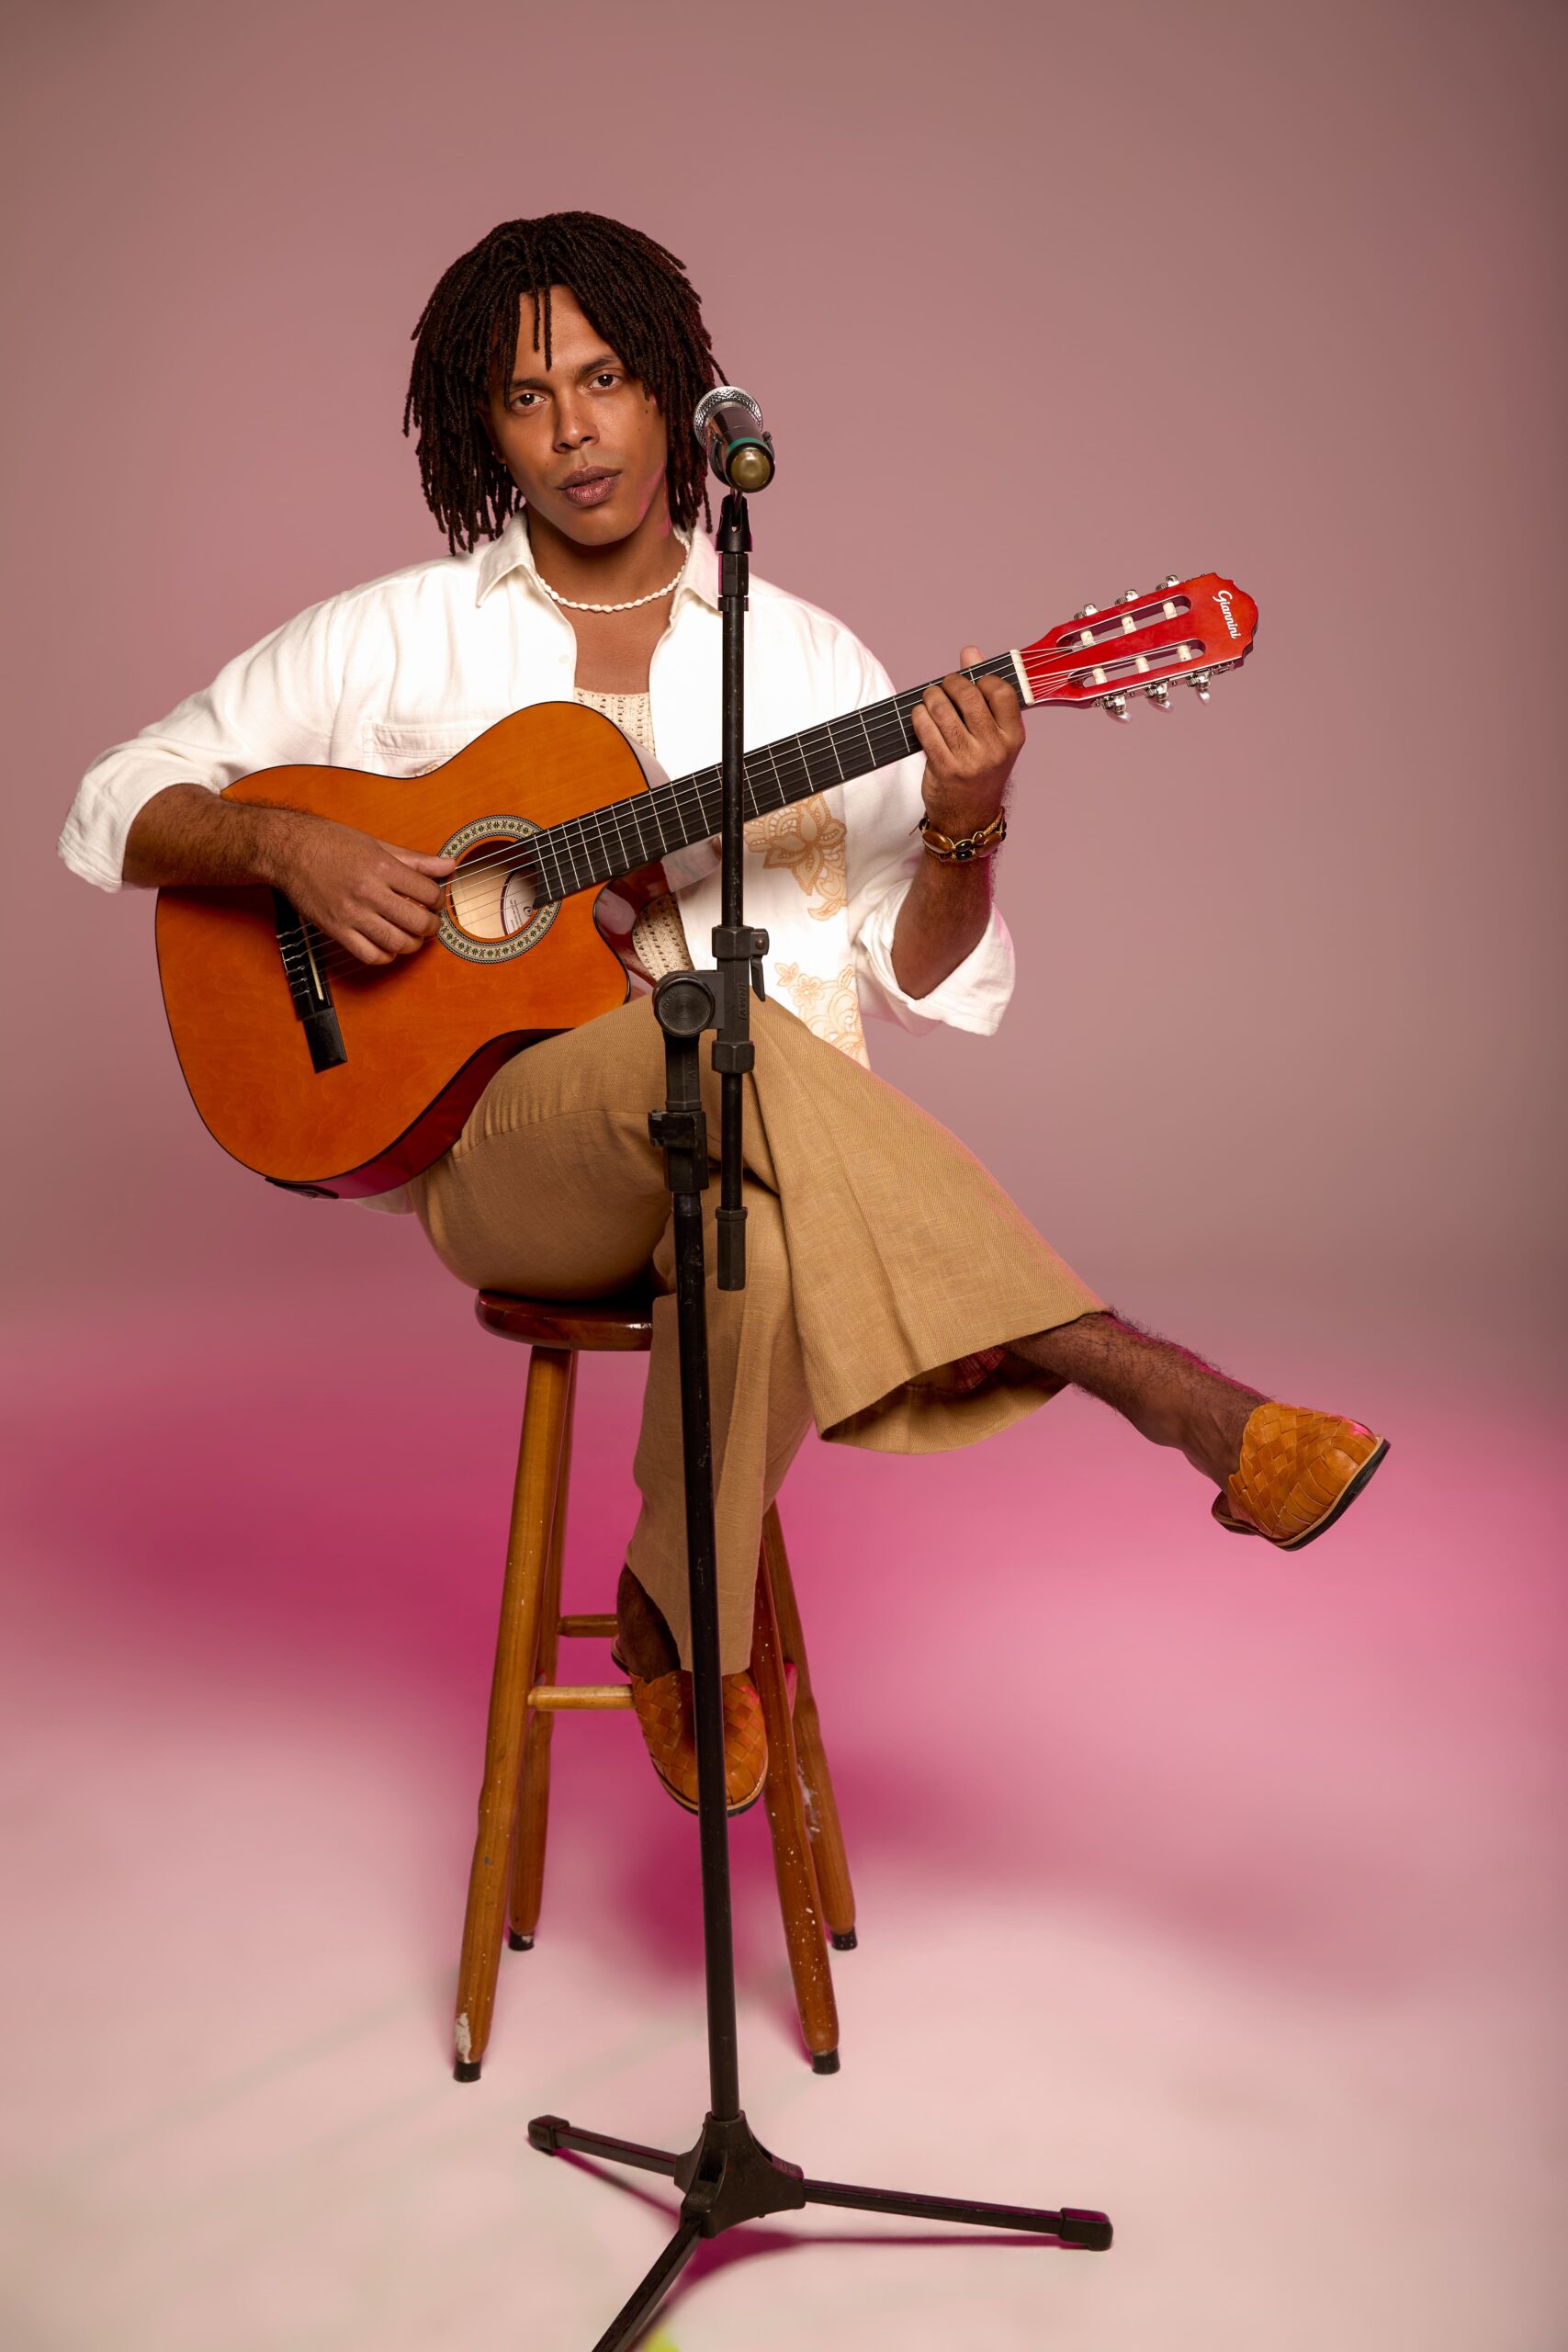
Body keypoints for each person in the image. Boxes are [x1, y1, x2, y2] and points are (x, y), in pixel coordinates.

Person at [59, 211, 1387, 1818]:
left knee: (737, 1170)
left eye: (606, 380)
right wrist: (291, 849)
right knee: (714, 1032)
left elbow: (925, 974)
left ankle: (677, 1623)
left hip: (742, 1162)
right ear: (484, 431)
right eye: (528, 396)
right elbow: (113, 799)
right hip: (504, 1168)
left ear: (673, 391)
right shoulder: (389, 636)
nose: (574, 430)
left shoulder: (808, 662)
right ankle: (1151, 1383)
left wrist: (965, 822)